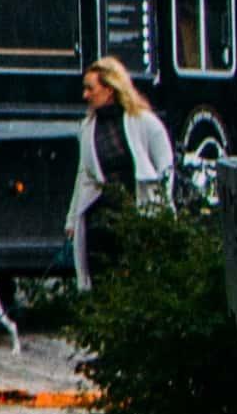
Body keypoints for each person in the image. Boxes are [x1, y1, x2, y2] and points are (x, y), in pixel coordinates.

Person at [70, 54, 178, 287]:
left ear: (110, 90)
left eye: (90, 88)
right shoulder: (87, 128)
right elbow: (83, 175)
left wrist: (161, 209)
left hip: (136, 211)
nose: (85, 95)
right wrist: (72, 219)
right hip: (100, 216)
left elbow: (165, 166)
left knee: (139, 275)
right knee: (101, 277)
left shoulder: (144, 121)